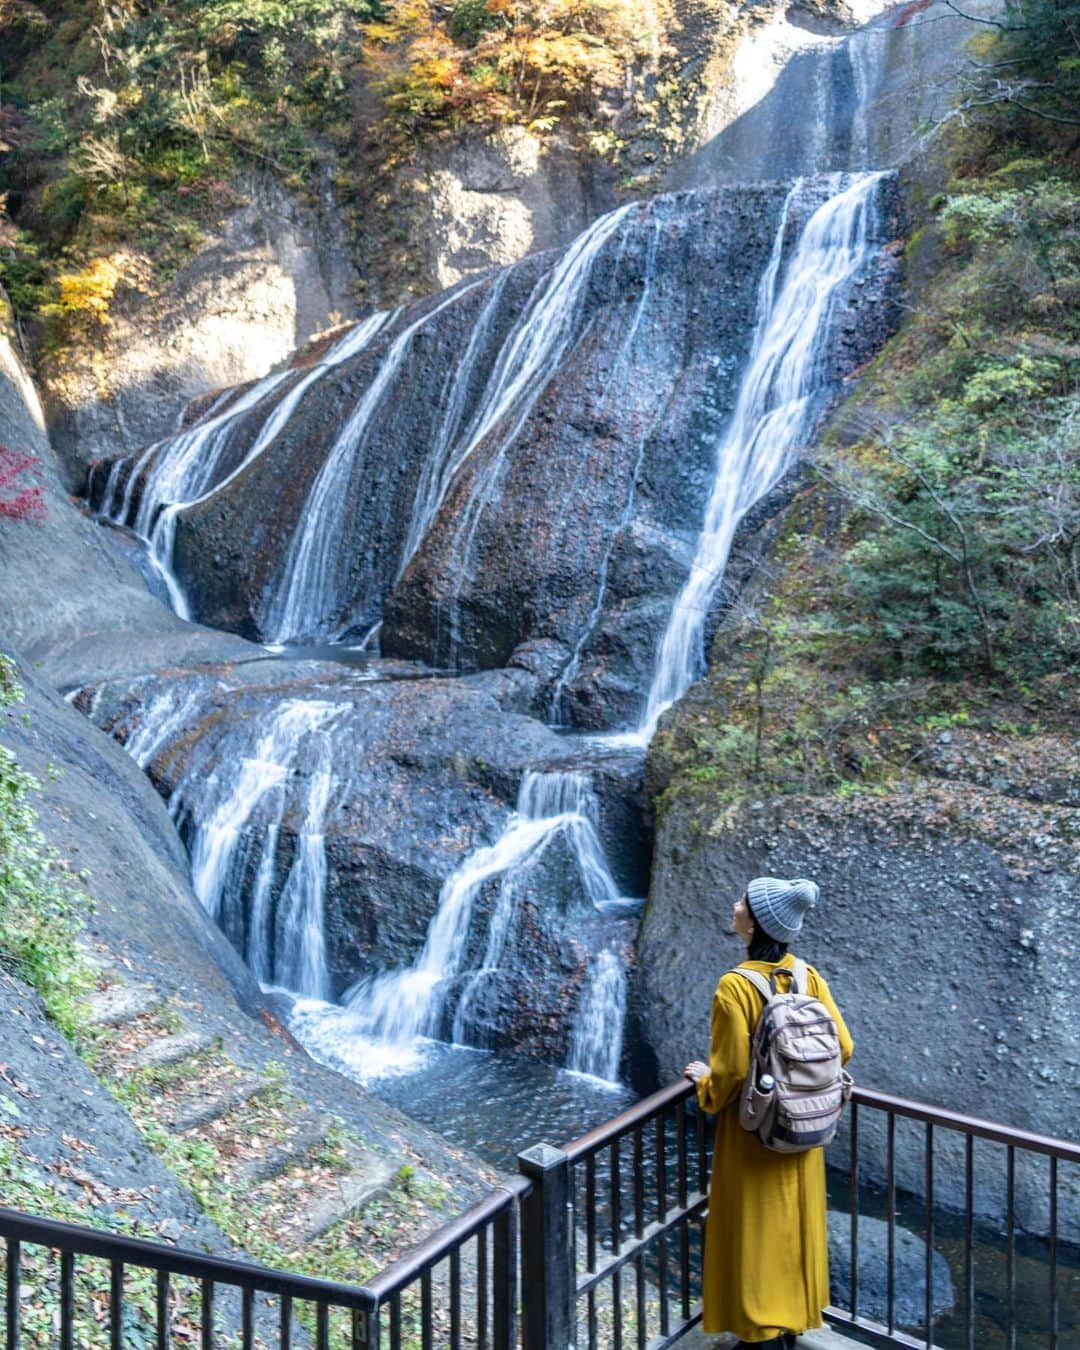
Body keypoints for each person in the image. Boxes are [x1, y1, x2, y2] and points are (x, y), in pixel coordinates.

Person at [684, 876, 853, 1350]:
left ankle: (758, 1332)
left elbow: (732, 1070)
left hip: (753, 1130)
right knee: (793, 1224)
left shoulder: (735, 986)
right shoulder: (807, 975)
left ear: (755, 920)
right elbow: (843, 1045)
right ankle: (792, 1322)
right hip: (803, 1125)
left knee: (753, 1227)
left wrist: (703, 1085)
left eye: (743, 901)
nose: (735, 905)